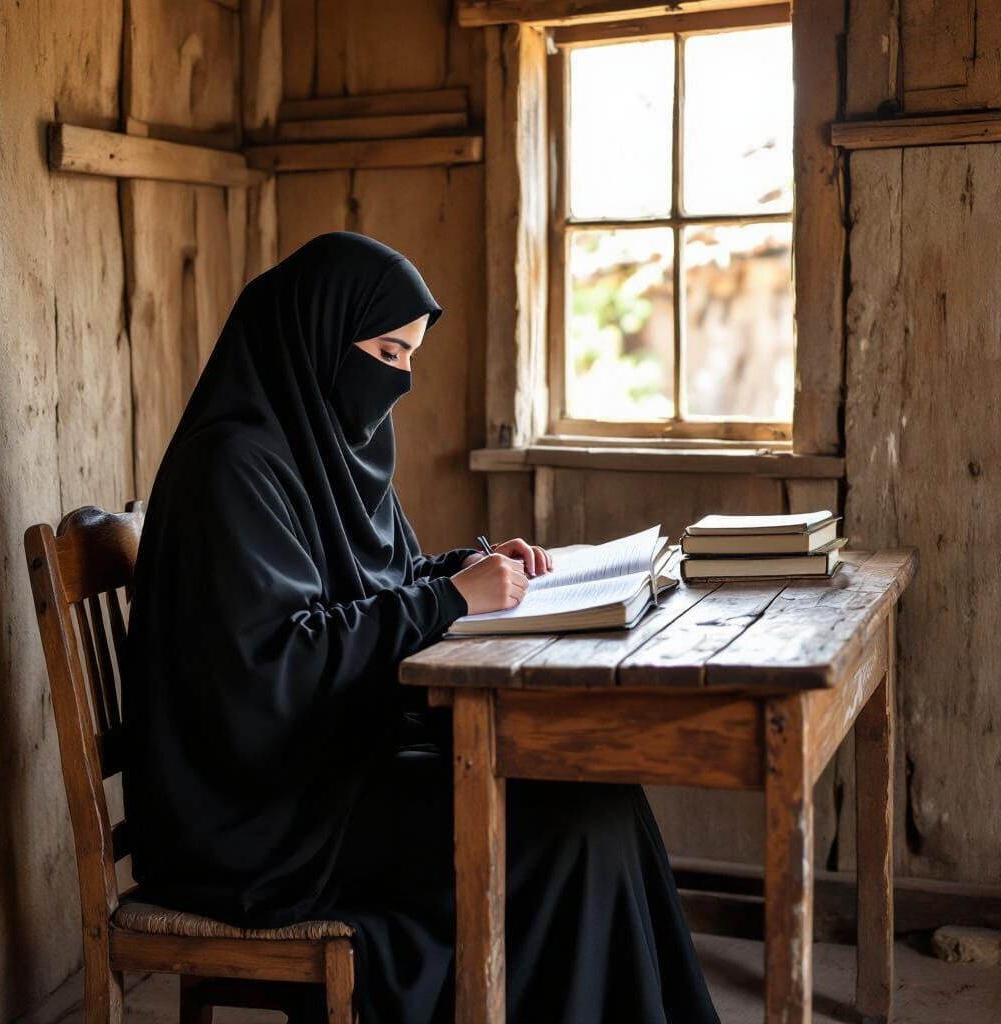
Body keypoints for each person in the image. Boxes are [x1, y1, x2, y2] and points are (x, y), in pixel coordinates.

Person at [120, 231, 720, 1024]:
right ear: (320, 336)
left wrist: (464, 573)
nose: (397, 382)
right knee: (569, 825)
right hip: (258, 818)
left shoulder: (320, 445)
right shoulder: (229, 467)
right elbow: (274, 664)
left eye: (409, 357)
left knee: (596, 799)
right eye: (387, 352)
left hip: (325, 769)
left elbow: (380, 584)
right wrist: (449, 602)